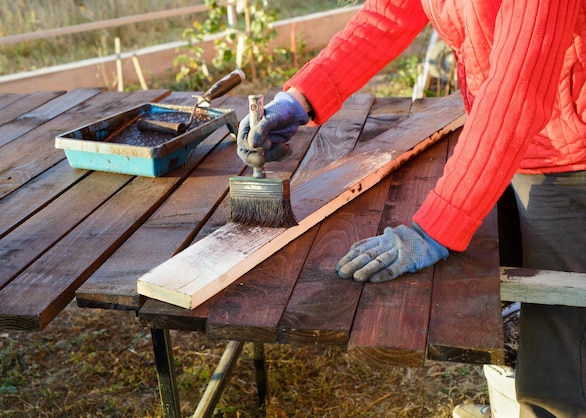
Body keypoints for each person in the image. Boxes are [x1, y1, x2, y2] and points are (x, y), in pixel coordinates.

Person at [236, 1, 586, 417]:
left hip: (573, 156)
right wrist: (301, 97)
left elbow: (519, 84)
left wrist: (440, 224)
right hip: (504, 141)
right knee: (514, 320)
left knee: (560, 365)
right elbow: (388, 15)